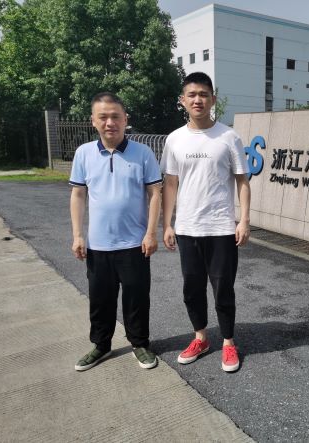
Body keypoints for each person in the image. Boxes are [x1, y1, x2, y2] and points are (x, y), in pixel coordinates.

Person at [161, 72, 250, 372]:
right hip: (187, 228)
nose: (197, 99)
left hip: (222, 228)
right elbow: (170, 184)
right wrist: (167, 224)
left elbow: (242, 181)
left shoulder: (229, 137)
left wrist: (244, 220)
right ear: (182, 100)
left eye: (203, 94)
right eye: (192, 95)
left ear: (213, 99)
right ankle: (201, 338)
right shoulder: (174, 139)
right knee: (192, 288)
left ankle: (228, 342)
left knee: (223, 288)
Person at [70, 92, 163, 371]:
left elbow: (154, 193)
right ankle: (101, 345)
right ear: (93, 121)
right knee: (100, 300)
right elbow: (78, 195)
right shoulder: (84, 153)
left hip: (135, 244)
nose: (109, 122)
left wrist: (151, 233)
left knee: (137, 298)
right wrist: (78, 235)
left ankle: (140, 344)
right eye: (103, 117)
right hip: (98, 245)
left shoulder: (143, 153)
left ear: (125, 120)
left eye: (115, 116)